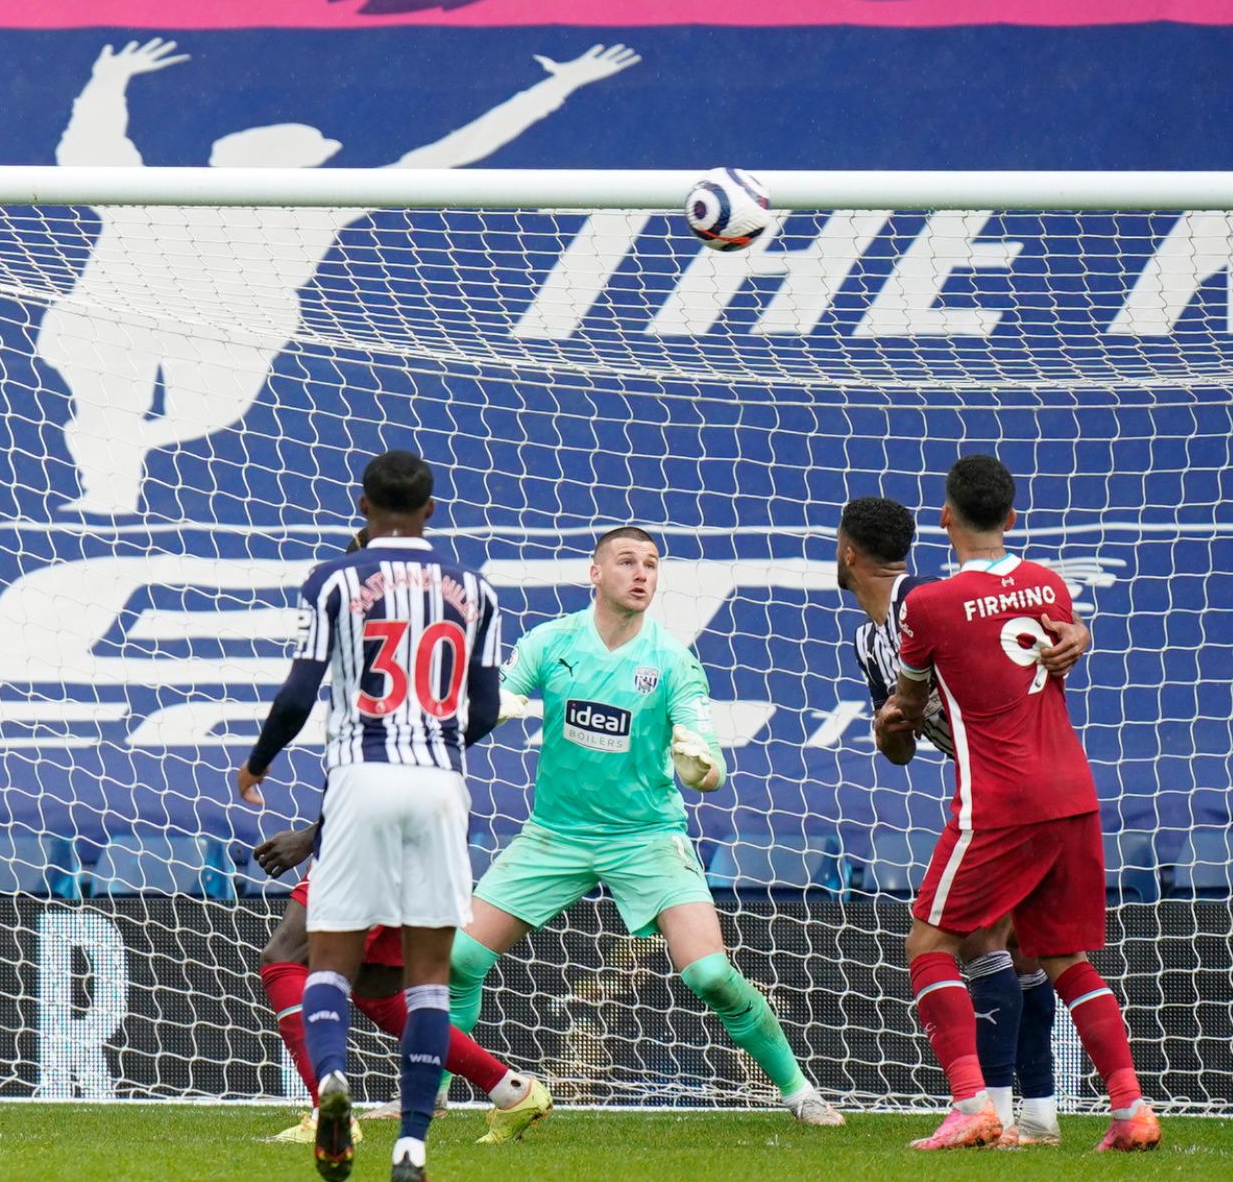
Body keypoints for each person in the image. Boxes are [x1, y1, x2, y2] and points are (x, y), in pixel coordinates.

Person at [38, 38, 639, 515]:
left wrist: (554, 87)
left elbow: (449, 155)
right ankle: (108, 494)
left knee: (196, 416)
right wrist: (105, 83)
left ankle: (123, 455)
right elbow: (91, 150)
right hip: (120, 314)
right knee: (108, 406)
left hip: (234, 325)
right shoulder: (166, 197)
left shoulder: (319, 202)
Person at [447, 526, 841, 1128]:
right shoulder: (549, 642)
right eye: (627, 561)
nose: (641, 574)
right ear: (595, 572)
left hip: (646, 838)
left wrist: (700, 767)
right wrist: (492, 705)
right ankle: (434, 1091)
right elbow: (496, 699)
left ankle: (799, 1090)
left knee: (710, 974)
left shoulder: (672, 660)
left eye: (652, 565)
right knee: (456, 960)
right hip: (555, 836)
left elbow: (708, 762)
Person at [236, 449, 503, 1182]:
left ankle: (329, 1086)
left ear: (362, 506)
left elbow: (297, 695)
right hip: (440, 784)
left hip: (359, 777)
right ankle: (412, 1146)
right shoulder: (474, 590)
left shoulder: (334, 580)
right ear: (432, 510)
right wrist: (440, 740)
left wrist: (258, 765)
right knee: (427, 982)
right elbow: (486, 708)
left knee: (324, 963)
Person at [881, 456, 1159, 1152]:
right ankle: (1130, 1109)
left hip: (999, 801)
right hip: (1073, 792)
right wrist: (1083, 635)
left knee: (929, 943)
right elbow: (1062, 640)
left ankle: (973, 1104)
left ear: (945, 518)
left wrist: (891, 720)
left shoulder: (927, 606)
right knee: (1064, 958)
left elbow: (909, 706)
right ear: (1010, 518)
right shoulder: (1048, 584)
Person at [838, 494, 1089, 1145]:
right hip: (987, 785)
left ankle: (999, 1110)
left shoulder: (922, 599)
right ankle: (1031, 1114)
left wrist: (1079, 630)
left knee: (975, 942)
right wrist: (885, 727)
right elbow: (900, 748)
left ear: (846, 553)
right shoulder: (871, 642)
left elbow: (1030, 628)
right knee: (1003, 943)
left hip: (1016, 784)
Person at [252, 822, 552, 1147]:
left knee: (285, 958)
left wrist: (309, 838)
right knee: (376, 991)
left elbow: (371, 777)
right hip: (428, 840)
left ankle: (328, 1116)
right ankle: (512, 1092)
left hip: (370, 837)